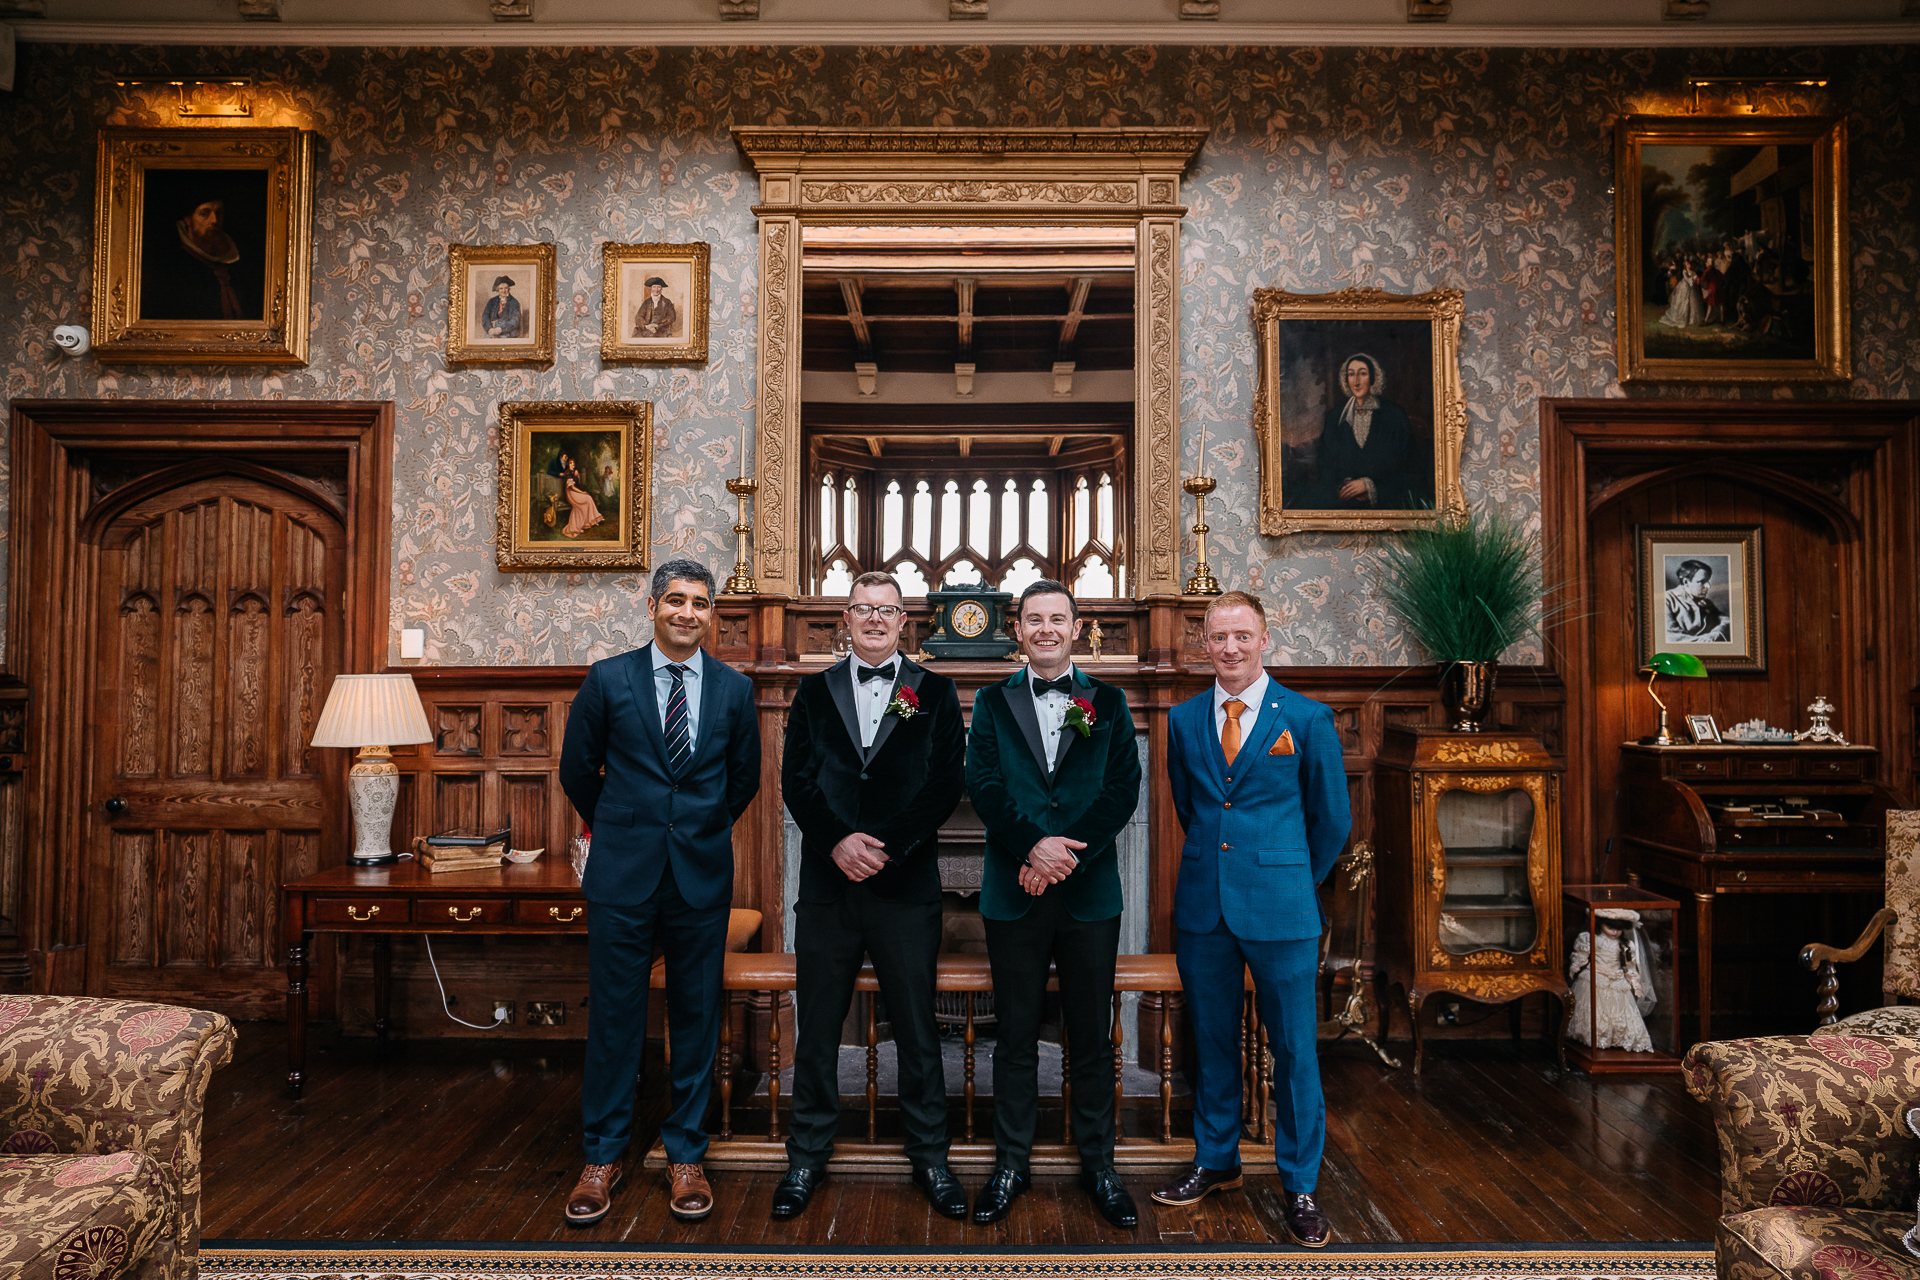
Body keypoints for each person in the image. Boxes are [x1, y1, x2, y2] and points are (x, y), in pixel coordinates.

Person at [557, 559, 762, 1227]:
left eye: (700, 603)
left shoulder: (733, 689)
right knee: (616, 1018)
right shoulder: (608, 679)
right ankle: (602, 1156)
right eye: (675, 600)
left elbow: (744, 780)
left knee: (696, 1016)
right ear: (652, 607)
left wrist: (695, 828)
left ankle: (685, 1155)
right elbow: (577, 770)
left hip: (699, 875)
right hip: (623, 874)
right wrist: (625, 826)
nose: (687, 612)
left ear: (711, 615)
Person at [1155, 590, 1350, 1249]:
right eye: (1218, 637)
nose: (1230, 648)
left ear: (1265, 639)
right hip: (1205, 908)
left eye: (1243, 635)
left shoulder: (1308, 717)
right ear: (1204, 645)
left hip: (1284, 909)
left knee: (1293, 1049)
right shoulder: (1182, 721)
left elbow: (1332, 821)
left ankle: (1299, 1183)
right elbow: (1191, 806)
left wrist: (1290, 876)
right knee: (1211, 1042)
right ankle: (1217, 1160)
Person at [774, 571, 968, 1222]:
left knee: (917, 1030)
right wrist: (837, 843)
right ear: (847, 619)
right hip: (829, 888)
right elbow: (795, 779)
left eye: (888, 610)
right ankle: (805, 1157)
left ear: (904, 620)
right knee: (818, 1029)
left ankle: (931, 1158)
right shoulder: (812, 690)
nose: (876, 619)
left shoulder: (934, 692)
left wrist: (883, 846)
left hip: (904, 885)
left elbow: (944, 784)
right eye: (864, 609)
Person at [965, 580, 1142, 1229]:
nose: (1045, 629)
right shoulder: (990, 702)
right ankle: (1011, 1164)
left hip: (1089, 895)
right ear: (1018, 629)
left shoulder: (1110, 701)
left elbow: (1123, 787)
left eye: (1056, 619)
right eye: (1033, 619)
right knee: (1013, 1039)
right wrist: (1033, 848)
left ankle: (1099, 1164)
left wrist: (1067, 857)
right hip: (1012, 893)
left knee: (1091, 1037)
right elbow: (982, 784)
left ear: (1075, 627)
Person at [1313, 353, 1426, 510]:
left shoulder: (1393, 415)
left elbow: (1408, 466)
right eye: (1351, 374)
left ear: (1373, 378)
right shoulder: (1335, 417)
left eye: (1363, 373)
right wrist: (1343, 486)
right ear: (1345, 380)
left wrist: (1370, 486)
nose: (1357, 381)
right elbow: (1325, 463)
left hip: (1386, 502)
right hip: (1343, 504)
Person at [141, 195, 262, 322]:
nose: (214, 220)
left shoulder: (239, 265)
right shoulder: (171, 268)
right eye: (204, 214)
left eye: (219, 213)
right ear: (188, 220)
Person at [1567, 909, 1654, 1053]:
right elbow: (1581, 954)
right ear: (1601, 924)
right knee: (1596, 1010)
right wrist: (1575, 967)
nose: (1615, 932)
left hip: (1617, 980)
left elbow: (1630, 967)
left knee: (1619, 1012)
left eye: (1619, 929)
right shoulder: (1590, 939)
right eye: (1611, 927)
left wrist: (1635, 984)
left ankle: (1617, 1037)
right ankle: (1597, 1037)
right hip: (1595, 978)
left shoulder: (1626, 945)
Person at [1664, 559, 1729, 642]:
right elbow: (1672, 638)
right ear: (1686, 582)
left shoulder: (1706, 603)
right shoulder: (1666, 600)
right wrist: (1710, 640)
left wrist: (1715, 634)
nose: (1708, 586)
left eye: (1708, 581)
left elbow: (1726, 621)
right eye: (1702, 582)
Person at [557, 453, 604, 539]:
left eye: (573, 463)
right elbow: (573, 487)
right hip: (571, 494)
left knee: (585, 502)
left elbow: (577, 485)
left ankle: (588, 522)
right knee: (588, 498)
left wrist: (577, 476)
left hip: (575, 492)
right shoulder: (567, 474)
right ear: (568, 464)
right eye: (571, 463)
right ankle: (595, 518)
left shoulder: (574, 472)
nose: (573, 464)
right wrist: (582, 493)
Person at [1658, 260, 1705, 328]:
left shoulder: (1693, 271)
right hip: (1685, 287)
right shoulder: (1684, 271)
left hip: (1692, 288)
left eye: (1689, 264)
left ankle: (1693, 319)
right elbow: (1686, 278)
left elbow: (1695, 277)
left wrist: (1695, 278)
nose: (1689, 265)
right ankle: (1686, 318)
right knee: (1685, 301)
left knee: (1694, 301)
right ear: (1685, 265)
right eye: (1687, 264)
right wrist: (1692, 281)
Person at [480, 275, 525, 339]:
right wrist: (489, 329)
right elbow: (485, 316)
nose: (504, 291)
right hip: (492, 330)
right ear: (497, 290)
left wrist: (501, 328)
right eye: (501, 288)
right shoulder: (491, 301)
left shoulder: (514, 302)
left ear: (509, 289)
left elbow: (515, 321)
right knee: (487, 338)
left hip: (508, 332)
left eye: (506, 288)